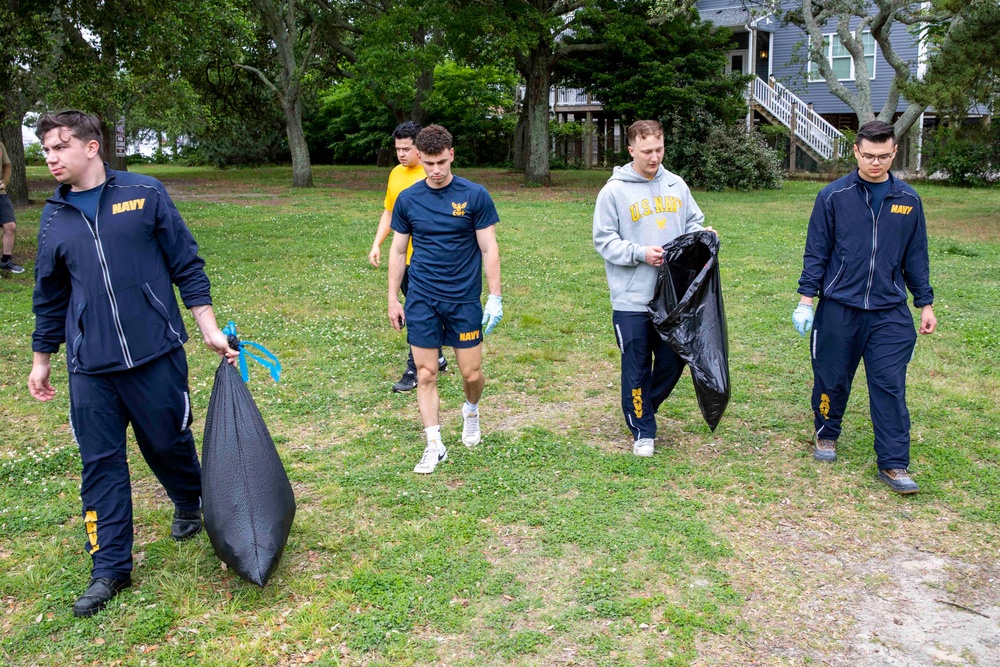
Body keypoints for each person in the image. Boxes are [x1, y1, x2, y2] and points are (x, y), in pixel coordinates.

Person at [27, 110, 239, 617]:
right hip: (90, 367)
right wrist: (42, 359)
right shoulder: (54, 217)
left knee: (167, 441)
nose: (51, 158)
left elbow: (186, 262)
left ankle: (190, 500)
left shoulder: (145, 193)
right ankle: (109, 569)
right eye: (46, 151)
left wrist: (208, 327)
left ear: (92, 147)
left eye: (60, 147)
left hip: (155, 352)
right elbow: (49, 295)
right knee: (100, 465)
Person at [793, 119, 936, 495]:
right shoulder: (833, 196)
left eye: (884, 156)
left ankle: (893, 463)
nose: (876, 163)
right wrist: (806, 301)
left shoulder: (908, 200)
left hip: (889, 311)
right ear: (856, 151)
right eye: (869, 156)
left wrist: (925, 303)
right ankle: (826, 433)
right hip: (839, 306)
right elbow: (816, 251)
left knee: (889, 385)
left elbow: (916, 256)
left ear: (894, 153)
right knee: (832, 375)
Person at [593, 120, 716, 457]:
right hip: (631, 298)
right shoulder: (613, 192)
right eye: (647, 151)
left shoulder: (676, 184)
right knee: (635, 365)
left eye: (659, 150)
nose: (654, 157)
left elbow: (692, 223)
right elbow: (604, 241)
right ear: (631, 149)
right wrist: (640, 254)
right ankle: (643, 430)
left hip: (673, 299)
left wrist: (703, 234)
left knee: (673, 361)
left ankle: (641, 407)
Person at [386, 125, 503, 474]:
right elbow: (396, 250)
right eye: (429, 164)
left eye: (441, 162)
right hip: (422, 297)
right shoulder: (408, 199)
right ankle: (434, 444)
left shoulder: (475, 195)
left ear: (452, 154)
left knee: (471, 373)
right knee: (425, 373)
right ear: (420, 159)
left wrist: (494, 295)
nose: (435, 171)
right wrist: (393, 297)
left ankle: (471, 410)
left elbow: (489, 247)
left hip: (463, 299)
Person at [369, 121, 447, 392]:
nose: (401, 154)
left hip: (428, 260)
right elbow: (389, 212)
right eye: (398, 149)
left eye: (407, 148)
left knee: (416, 312)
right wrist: (378, 243)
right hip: (404, 259)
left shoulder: (432, 174)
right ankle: (435, 355)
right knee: (418, 309)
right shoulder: (395, 174)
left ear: (420, 148)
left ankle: (414, 368)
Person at [0, 140, 25, 274]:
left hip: (1, 195)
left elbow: (7, 166)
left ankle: (6, 261)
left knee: (10, 226)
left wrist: (4, 182)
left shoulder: (0, 145)